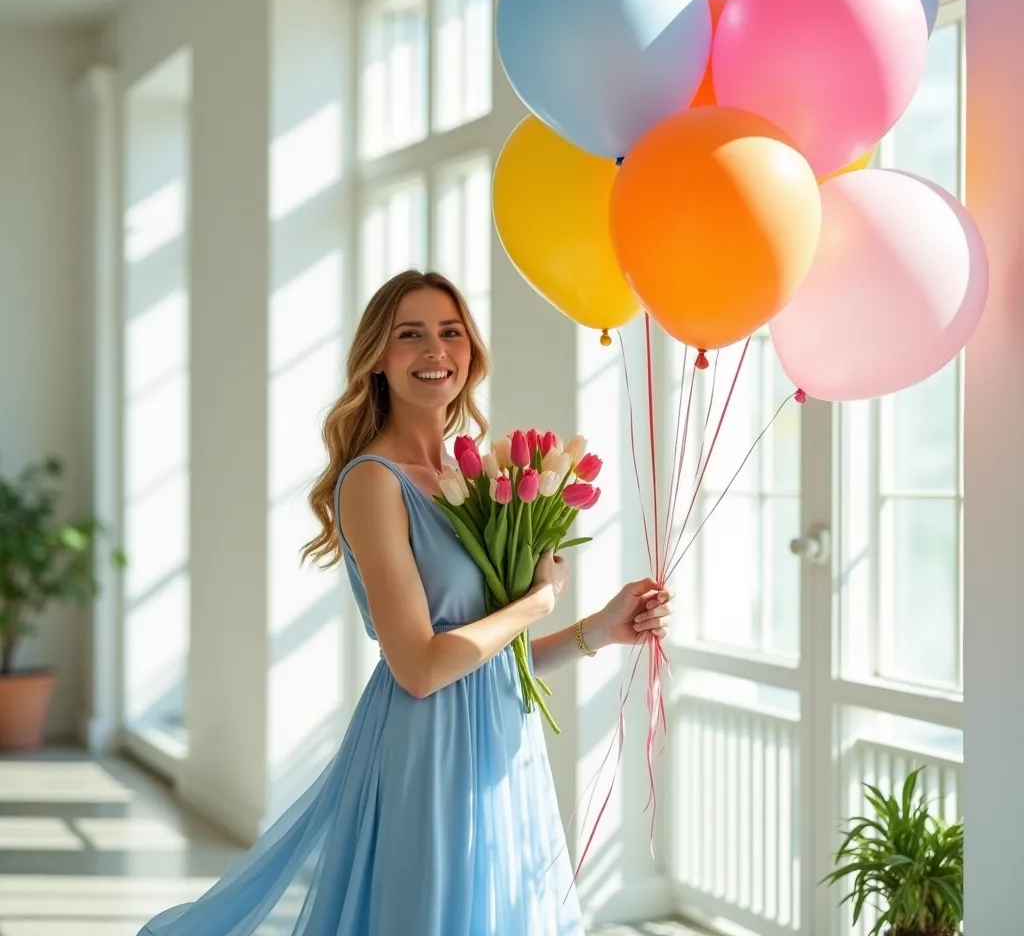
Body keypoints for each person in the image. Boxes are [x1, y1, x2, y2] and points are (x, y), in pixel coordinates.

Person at [138, 269, 673, 936]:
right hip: (428, 754)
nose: (434, 352)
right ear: (378, 360)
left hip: (505, 747)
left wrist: (601, 629)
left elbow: (487, 657)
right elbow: (421, 667)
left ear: (471, 352)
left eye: (450, 333)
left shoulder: (472, 478)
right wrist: (538, 602)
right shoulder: (372, 482)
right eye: (409, 335)